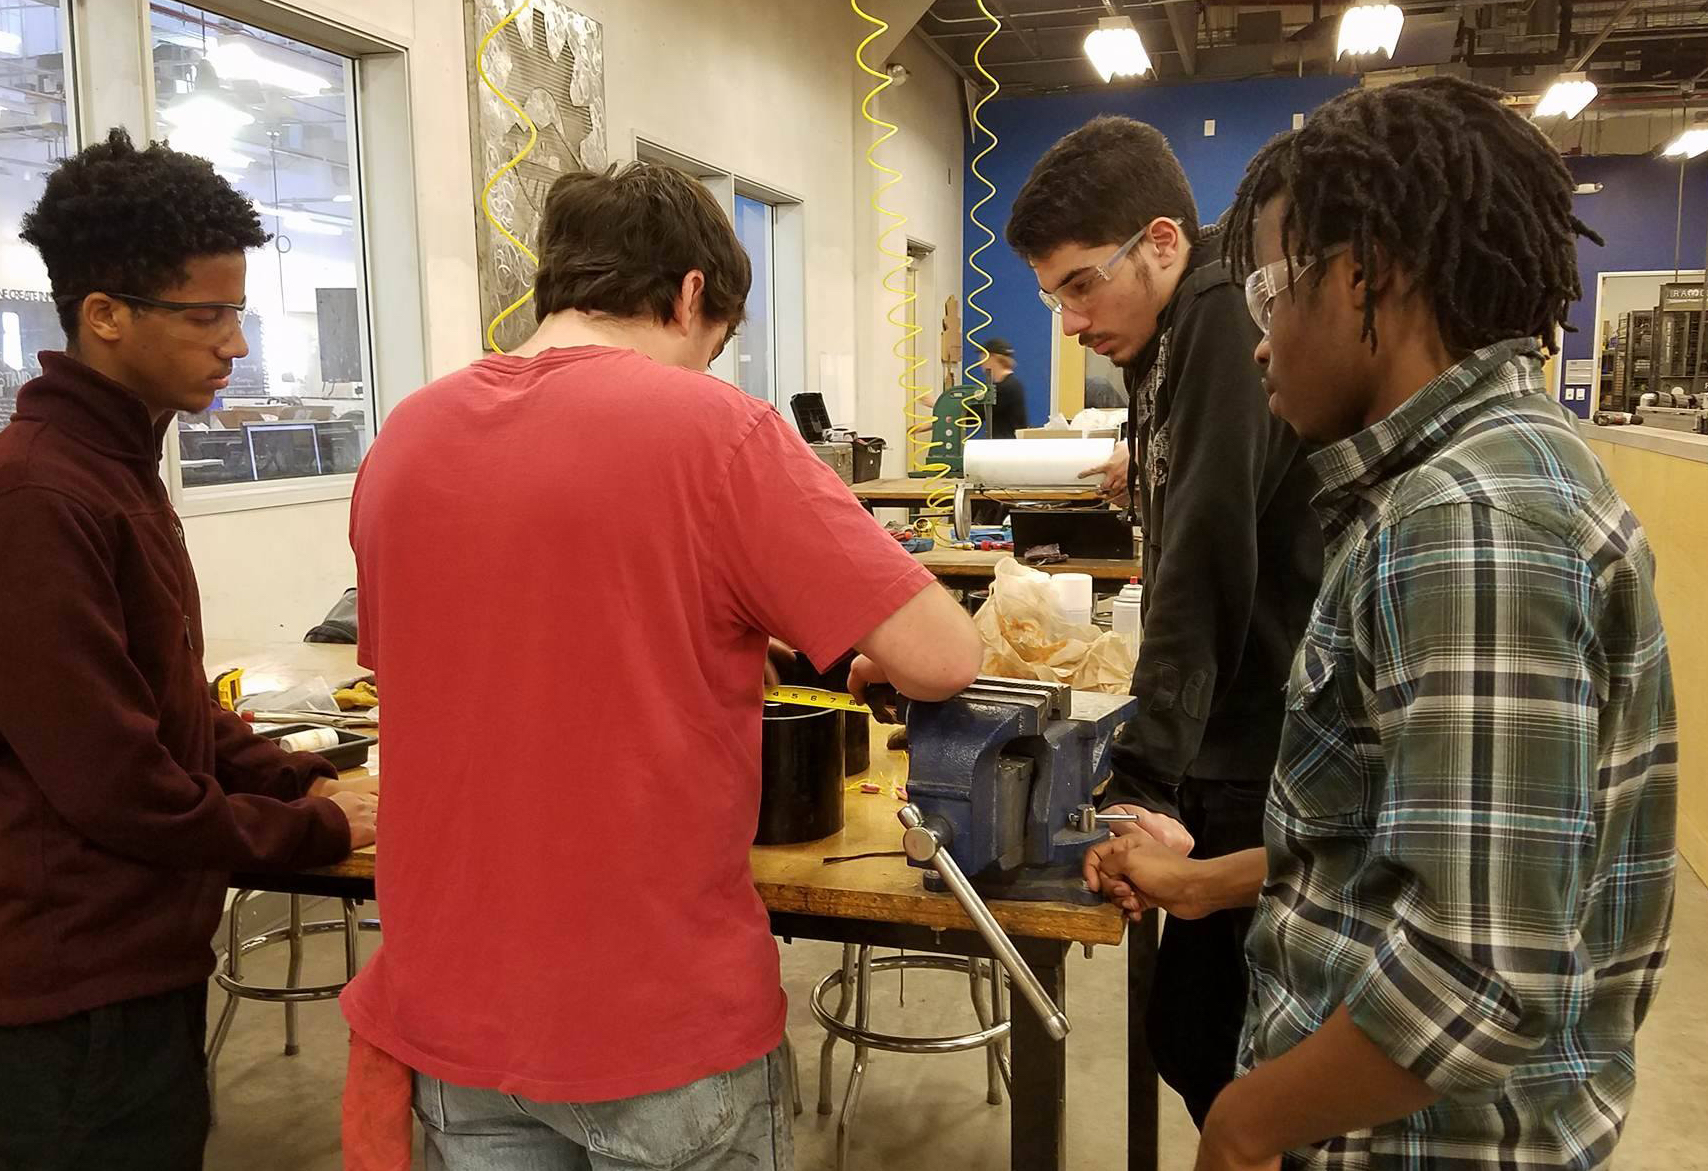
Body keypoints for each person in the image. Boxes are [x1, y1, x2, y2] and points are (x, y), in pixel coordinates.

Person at [1088, 77, 1677, 1170]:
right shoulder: (1459, 483)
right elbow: (1393, 839)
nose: (1258, 342)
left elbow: (1478, 973)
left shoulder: (1468, 525)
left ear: (1366, 277)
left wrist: (1242, 1120)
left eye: (1272, 292)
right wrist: (1206, 880)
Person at [343, 162, 982, 1169]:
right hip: (653, 1020)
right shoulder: (716, 431)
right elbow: (944, 655)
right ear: (692, 294)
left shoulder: (403, 440)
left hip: (453, 1015)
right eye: (716, 344)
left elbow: (491, 662)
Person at [0, 128, 377, 1170]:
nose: (234, 345)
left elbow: (166, 704)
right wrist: (314, 834)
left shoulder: (111, 467)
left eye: (236, 313)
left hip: (122, 963)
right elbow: (117, 784)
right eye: (206, 316)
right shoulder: (38, 495)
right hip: (62, 984)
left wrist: (298, 776)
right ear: (105, 315)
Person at [1005, 115, 1324, 1125]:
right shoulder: (1177, 327)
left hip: (1261, 746)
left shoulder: (1223, 315)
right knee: (1193, 1032)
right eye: (1052, 295)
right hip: (1231, 734)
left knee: (1224, 1048)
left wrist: (1141, 777)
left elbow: (1207, 560)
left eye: (1080, 284)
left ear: (1159, 241)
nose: (1067, 320)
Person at [981, 337, 1029, 437]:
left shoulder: (1006, 388)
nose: (981, 362)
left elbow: (978, 412)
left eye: (983, 356)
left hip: (1005, 448)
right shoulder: (1012, 384)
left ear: (993, 358)